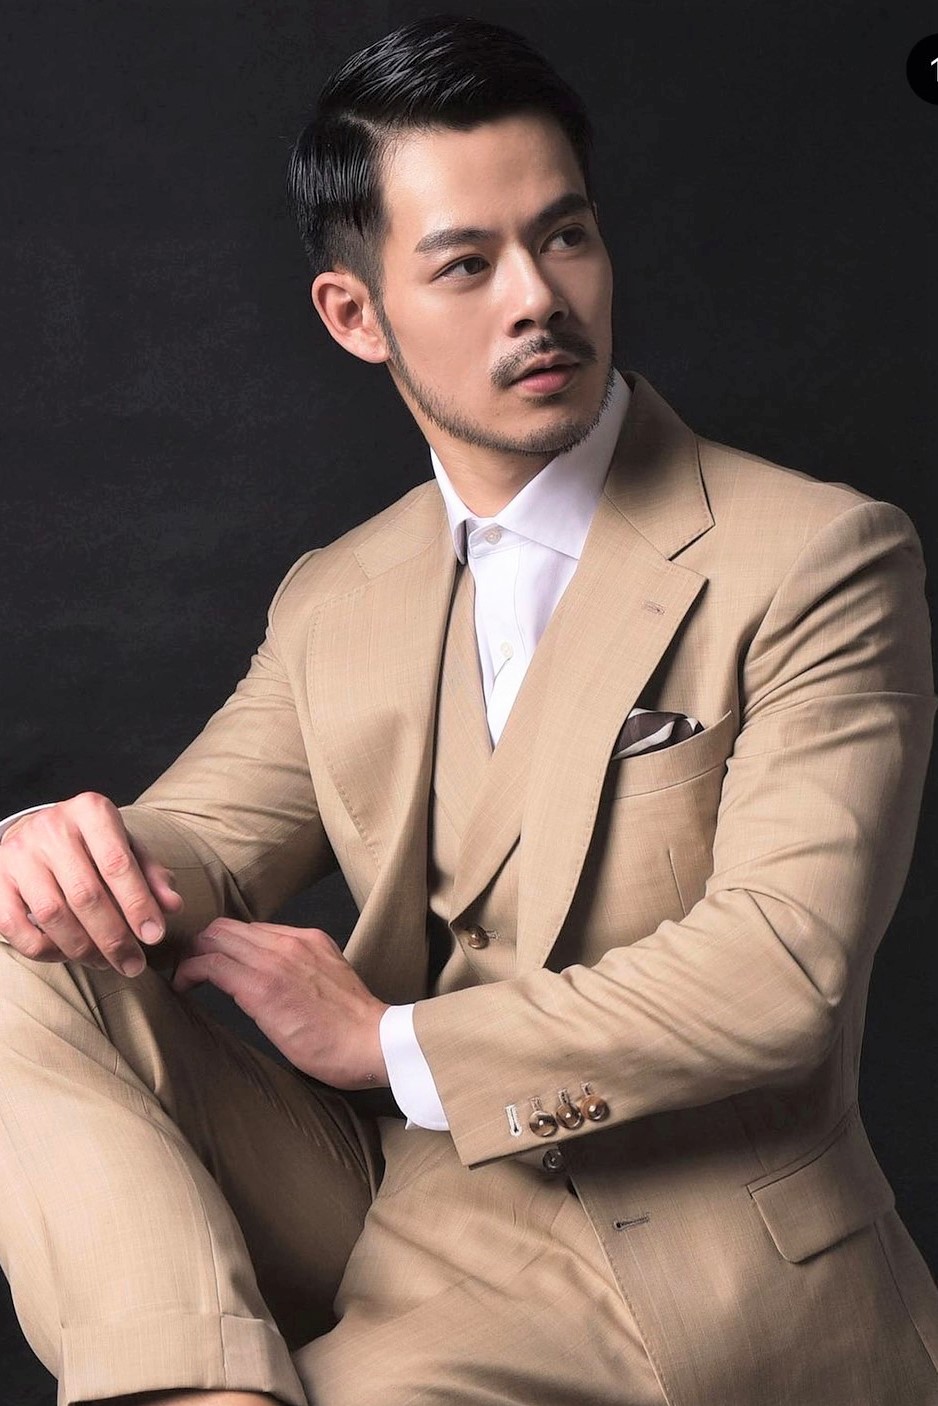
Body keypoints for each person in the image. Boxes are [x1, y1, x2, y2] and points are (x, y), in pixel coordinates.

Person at [0, 13, 936, 1406]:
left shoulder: (814, 555)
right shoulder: (339, 593)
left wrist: (387, 1043)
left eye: (565, 237)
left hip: (675, 1260)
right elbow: (194, 845)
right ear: (354, 314)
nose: (537, 298)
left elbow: (781, 972)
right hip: (399, 1206)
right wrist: (57, 853)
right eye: (466, 263)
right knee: (16, 950)